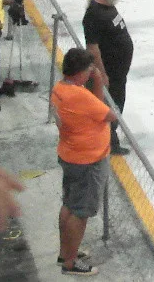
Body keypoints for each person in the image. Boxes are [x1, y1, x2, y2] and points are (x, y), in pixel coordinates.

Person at [51, 47, 115, 277]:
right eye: (89, 70)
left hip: (70, 155)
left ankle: (66, 252)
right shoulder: (80, 95)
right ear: (81, 73)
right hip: (87, 162)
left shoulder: (60, 89)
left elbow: (93, 108)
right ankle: (70, 263)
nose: (91, 73)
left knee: (69, 205)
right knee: (80, 212)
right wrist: (98, 81)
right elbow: (109, 114)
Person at [82, 0, 134, 155]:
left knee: (117, 104)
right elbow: (93, 48)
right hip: (109, 74)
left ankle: (110, 138)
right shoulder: (94, 14)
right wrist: (101, 74)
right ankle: (108, 142)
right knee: (109, 107)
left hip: (118, 73)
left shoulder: (109, 6)